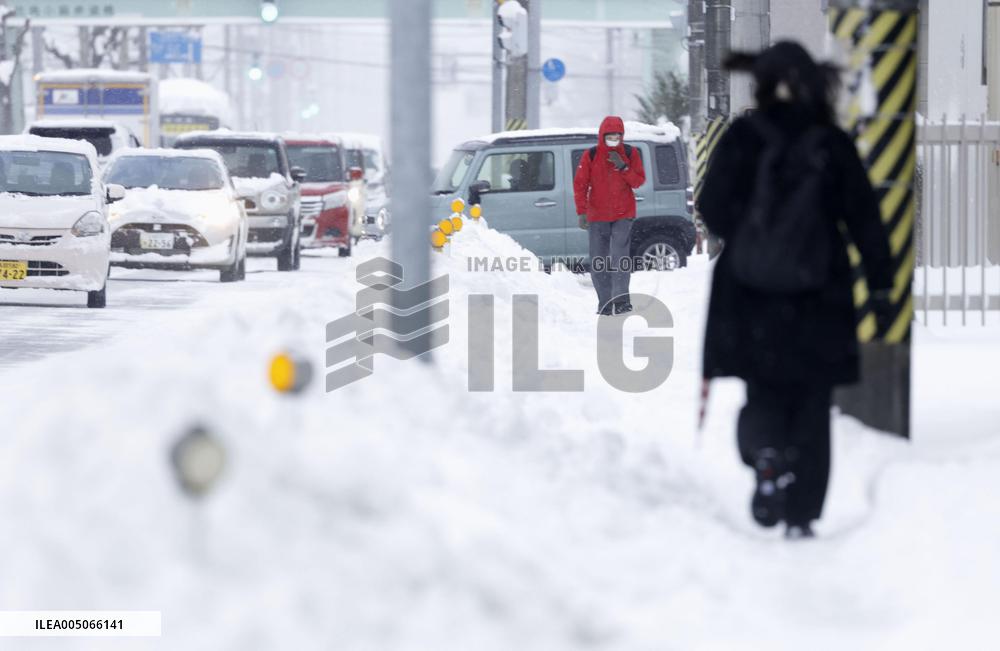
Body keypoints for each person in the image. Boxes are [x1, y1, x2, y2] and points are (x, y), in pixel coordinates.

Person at [697, 42, 894, 539]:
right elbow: (864, 217)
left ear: (761, 84)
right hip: (818, 296)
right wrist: (881, 281)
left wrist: (750, 233)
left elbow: (713, 207)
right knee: (811, 401)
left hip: (752, 294)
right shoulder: (829, 141)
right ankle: (802, 514)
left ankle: (766, 457)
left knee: (763, 387)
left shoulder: (743, 136)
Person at [574, 116, 645, 315]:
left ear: (622, 136)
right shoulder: (591, 155)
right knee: (599, 260)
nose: (614, 139)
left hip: (623, 214)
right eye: (610, 136)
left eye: (617, 136)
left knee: (620, 258)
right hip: (597, 215)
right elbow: (580, 184)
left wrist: (623, 167)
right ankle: (605, 302)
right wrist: (582, 212)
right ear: (602, 136)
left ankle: (622, 301)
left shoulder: (631, 153)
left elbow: (638, 181)